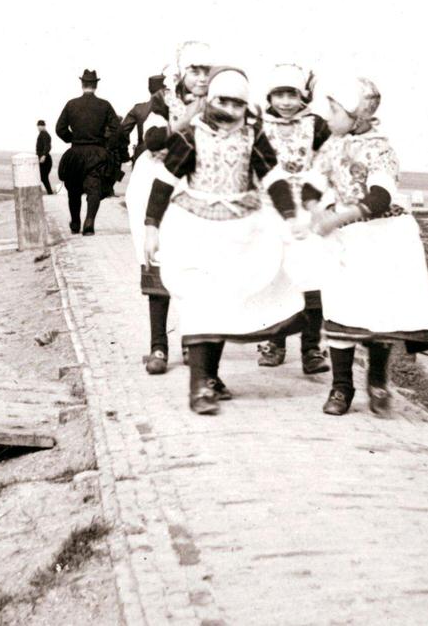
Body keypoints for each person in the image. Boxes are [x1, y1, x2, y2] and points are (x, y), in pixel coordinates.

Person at [142, 67, 303, 415]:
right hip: (195, 229)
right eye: (223, 101)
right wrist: (151, 226)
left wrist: (290, 216)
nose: (229, 109)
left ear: (247, 105)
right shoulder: (190, 136)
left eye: (237, 103)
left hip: (240, 231)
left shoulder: (253, 137)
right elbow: (165, 181)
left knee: (224, 305)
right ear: (210, 100)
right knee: (201, 301)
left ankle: (210, 376)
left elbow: (273, 178)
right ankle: (199, 386)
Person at [302, 76, 428, 417]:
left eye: (334, 109)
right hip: (346, 241)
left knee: (377, 313)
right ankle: (341, 386)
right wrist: (315, 208)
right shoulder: (332, 146)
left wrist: (340, 216)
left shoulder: (379, 147)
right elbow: (312, 184)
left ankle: (377, 379)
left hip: (381, 237)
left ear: (355, 115)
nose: (329, 116)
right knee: (340, 310)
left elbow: (380, 196)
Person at [125, 44, 210, 376]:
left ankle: (192, 340)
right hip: (159, 183)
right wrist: (184, 122)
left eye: (207, 71)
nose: (201, 78)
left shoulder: (221, 102)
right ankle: (158, 345)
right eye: (195, 70)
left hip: (198, 185)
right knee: (157, 260)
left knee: (195, 265)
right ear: (182, 72)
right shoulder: (164, 102)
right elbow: (155, 139)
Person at [256, 64, 332, 375]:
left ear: (302, 95)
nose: (286, 102)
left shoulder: (316, 125)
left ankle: (311, 347)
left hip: (307, 207)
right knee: (276, 276)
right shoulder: (259, 125)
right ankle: (275, 342)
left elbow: (333, 155)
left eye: (292, 95)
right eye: (280, 95)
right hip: (269, 207)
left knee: (312, 278)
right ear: (270, 96)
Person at [55, 69, 118, 236]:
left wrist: (72, 139)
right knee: (94, 188)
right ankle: (89, 221)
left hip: (75, 152)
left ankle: (75, 222)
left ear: (82, 84)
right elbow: (116, 130)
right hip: (97, 152)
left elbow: (59, 129)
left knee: (73, 188)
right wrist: (106, 145)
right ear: (96, 85)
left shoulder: (71, 104)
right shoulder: (105, 105)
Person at [35, 119, 55, 194]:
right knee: (42, 177)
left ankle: (49, 192)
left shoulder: (44, 134)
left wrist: (44, 155)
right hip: (42, 158)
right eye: (38, 126)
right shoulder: (42, 134)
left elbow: (48, 146)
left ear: (43, 126)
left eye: (40, 126)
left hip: (45, 159)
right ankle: (49, 192)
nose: (38, 128)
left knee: (43, 177)